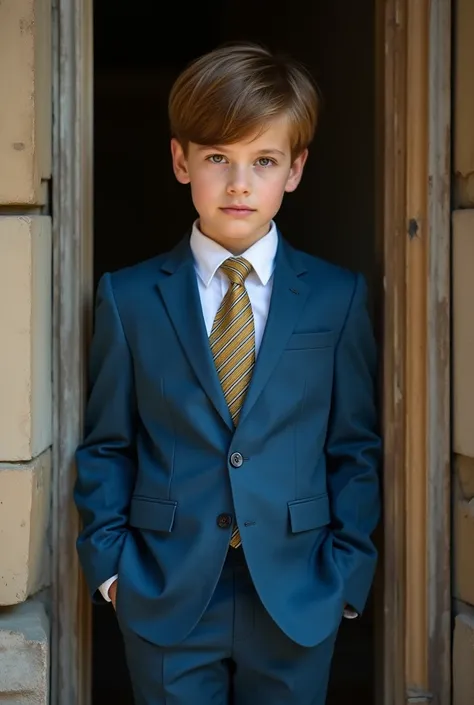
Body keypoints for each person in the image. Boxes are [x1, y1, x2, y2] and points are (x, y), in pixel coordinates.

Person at [74, 41, 381, 705]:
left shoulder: (336, 297)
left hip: (298, 590)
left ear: (295, 169)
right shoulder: (128, 299)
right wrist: (113, 572)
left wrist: (347, 576)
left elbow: (353, 447)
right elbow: (108, 443)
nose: (239, 183)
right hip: (165, 589)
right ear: (181, 159)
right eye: (218, 158)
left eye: (263, 161)